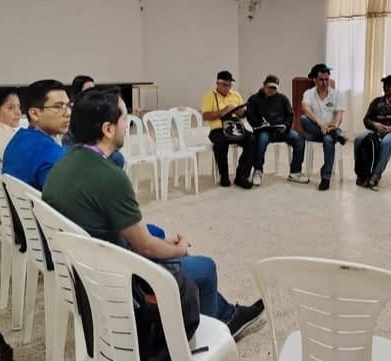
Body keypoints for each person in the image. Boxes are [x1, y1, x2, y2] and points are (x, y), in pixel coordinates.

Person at [43, 88, 264, 338]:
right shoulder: (109, 177)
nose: (127, 126)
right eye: (125, 119)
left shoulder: (63, 164)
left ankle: (224, 313)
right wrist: (179, 249)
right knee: (204, 267)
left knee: (166, 244)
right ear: (108, 129)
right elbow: (145, 247)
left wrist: (162, 244)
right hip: (118, 277)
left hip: (89, 268)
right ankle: (209, 333)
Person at [2, 79, 70, 191]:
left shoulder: (18, 138)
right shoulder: (49, 151)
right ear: (34, 114)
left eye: (68, 105)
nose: (68, 113)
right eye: (58, 107)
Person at [246, 75, 309, 186]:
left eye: (274, 88)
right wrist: (259, 124)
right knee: (261, 140)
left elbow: (290, 115)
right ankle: (258, 170)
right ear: (264, 85)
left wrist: (286, 126)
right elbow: (250, 116)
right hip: (264, 131)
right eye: (269, 87)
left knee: (298, 138)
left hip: (281, 131)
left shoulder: (282, 99)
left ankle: (295, 172)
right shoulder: (254, 99)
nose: (271, 90)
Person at [354, 74, 391, 189]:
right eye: (385, 85)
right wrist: (375, 125)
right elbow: (366, 120)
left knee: (386, 142)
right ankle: (361, 173)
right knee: (358, 139)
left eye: (389, 85)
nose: (386, 87)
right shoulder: (377, 102)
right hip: (378, 130)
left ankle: (375, 176)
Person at [200, 70, 255, 189]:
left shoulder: (236, 95)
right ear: (217, 83)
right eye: (224, 85)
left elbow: (242, 115)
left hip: (236, 127)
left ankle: (241, 176)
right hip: (218, 129)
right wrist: (224, 111)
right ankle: (224, 175)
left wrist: (241, 113)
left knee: (252, 139)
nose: (227, 88)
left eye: (230, 85)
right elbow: (205, 116)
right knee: (220, 143)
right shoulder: (210, 96)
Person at [300, 63, 347, 191]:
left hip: (330, 129)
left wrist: (335, 125)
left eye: (327, 79)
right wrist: (320, 123)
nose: (325, 83)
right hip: (314, 130)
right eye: (321, 80)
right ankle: (335, 135)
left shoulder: (336, 94)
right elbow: (305, 109)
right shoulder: (309, 93)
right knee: (303, 119)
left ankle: (325, 178)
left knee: (328, 139)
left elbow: (339, 114)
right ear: (315, 80)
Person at [63, 74, 126, 169]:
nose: (93, 93)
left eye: (94, 89)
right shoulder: (72, 111)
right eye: (89, 89)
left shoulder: (97, 108)